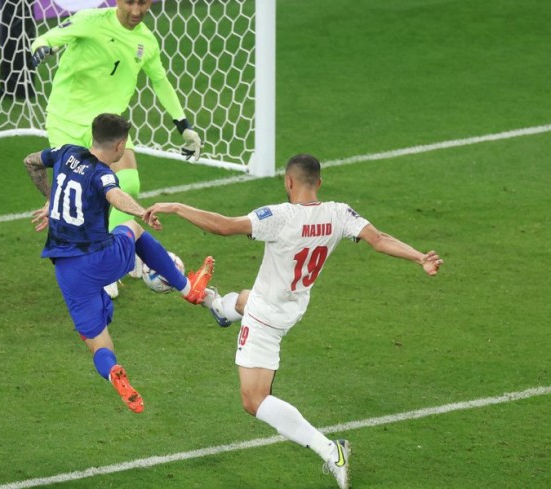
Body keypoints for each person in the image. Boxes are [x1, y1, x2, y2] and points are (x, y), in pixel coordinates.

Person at [143, 154, 443, 489]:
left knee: (253, 400)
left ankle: (331, 451)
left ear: (288, 182)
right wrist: (419, 257)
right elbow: (380, 238)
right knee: (246, 299)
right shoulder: (339, 213)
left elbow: (224, 226)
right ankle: (217, 305)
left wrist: (176, 207)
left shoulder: (280, 216)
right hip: (293, 307)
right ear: (319, 183)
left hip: (265, 319)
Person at [23, 113, 213, 413]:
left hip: (67, 271)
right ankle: (189, 289)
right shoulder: (103, 173)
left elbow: (31, 161)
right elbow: (115, 196)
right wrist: (141, 212)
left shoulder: (66, 152)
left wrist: (52, 199)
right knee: (133, 229)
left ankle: (113, 373)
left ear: (93, 135)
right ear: (120, 145)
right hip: (99, 258)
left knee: (99, 343)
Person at [29, 0, 203, 295]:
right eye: (130, 2)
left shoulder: (146, 41)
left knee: (129, 182)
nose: (136, 11)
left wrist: (184, 126)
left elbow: (160, 81)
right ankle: (101, 267)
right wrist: (42, 49)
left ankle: (122, 251)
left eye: (143, 3)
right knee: (86, 193)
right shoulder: (90, 20)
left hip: (107, 125)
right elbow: (45, 39)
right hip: (67, 119)